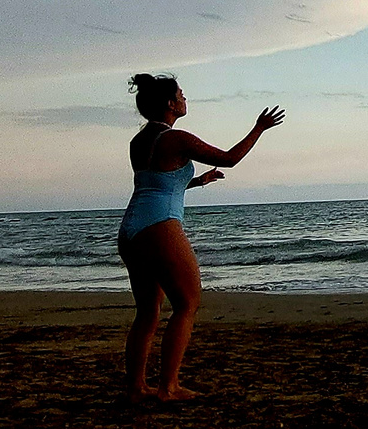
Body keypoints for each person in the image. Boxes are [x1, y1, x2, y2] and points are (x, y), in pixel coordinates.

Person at [117, 73, 284, 402]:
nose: (184, 98)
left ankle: (137, 387)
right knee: (187, 303)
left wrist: (197, 181)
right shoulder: (177, 139)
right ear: (169, 103)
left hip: (131, 229)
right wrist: (259, 128)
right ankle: (169, 387)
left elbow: (156, 183)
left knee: (148, 311)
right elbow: (230, 158)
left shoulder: (138, 142)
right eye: (180, 94)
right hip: (159, 225)